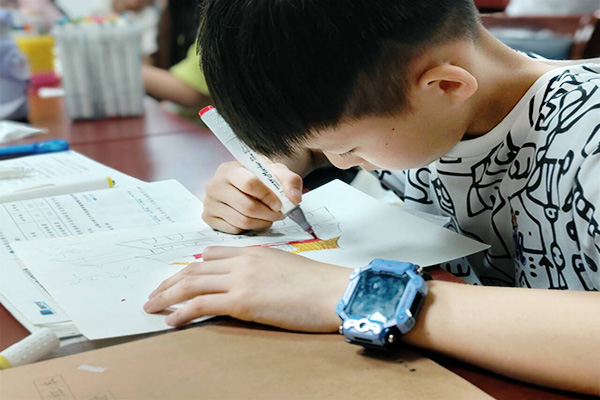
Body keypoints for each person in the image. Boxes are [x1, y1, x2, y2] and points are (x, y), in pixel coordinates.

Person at [143, 0, 600, 395]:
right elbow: (315, 144)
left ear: (446, 86)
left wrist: (354, 294)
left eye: (349, 148)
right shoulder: (426, 109)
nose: (338, 162)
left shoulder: (588, 136)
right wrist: (264, 172)